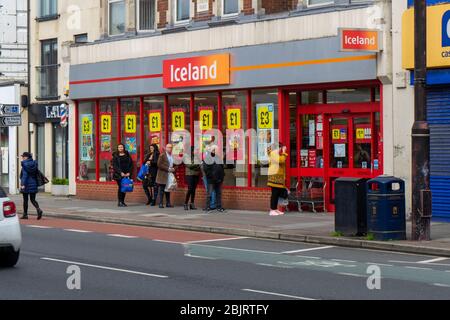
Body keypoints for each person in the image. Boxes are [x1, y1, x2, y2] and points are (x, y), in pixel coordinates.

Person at [19, 152, 43, 220]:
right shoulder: (34, 164)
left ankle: (25, 215)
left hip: (26, 184)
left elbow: (25, 176)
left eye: (23, 156)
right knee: (33, 199)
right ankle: (39, 210)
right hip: (34, 183)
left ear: (27, 157)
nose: (22, 157)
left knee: (25, 200)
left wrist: (23, 184)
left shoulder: (25, 165)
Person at [267, 143, 288, 216]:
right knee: (274, 194)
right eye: (280, 148)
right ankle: (272, 210)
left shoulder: (276, 154)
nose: (280, 149)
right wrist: (284, 152)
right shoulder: (273, 154)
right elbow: (281, 160)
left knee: (277, 194)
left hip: (278, 178)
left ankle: (275, 209)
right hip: (274, 178)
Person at [203, 145, 225, 213]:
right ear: (213, 150)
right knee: (209, 193)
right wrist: (212, 176)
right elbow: (206, 169)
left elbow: (221, 168)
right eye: (217, 150)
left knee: (218, 193)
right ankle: (207, 207)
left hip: (218, 179)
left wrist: (222, 177)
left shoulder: (218, 158)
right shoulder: (208, 158)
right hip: (211, 179)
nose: (218, 151)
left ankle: (219, 206)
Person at [156, 144, 175, 208]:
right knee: (161, 189)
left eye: (171, 147)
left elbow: (174, 164)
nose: (170, 149)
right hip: (162, 174)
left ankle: (168, 203)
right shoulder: (162, 155)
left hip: (169, 174)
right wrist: (167, 168)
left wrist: (174, 168)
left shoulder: (172, 156)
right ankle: (160, 203)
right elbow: (159, 164)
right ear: (166, 148)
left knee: (168, 189)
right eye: (169, 147)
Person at [184, 147, 201, 211]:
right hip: (189, 175)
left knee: (193, 189)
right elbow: (189, 165)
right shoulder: (186, 156)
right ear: (192, 151)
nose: (197, 151)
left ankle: (192, 203)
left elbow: (199, 165)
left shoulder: (196, 156)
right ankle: (185, 203)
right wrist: (196, 164)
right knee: (190, 189)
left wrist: (195, 165)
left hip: (196, 174)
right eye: (195, 150)